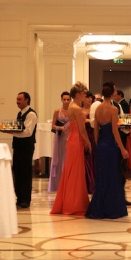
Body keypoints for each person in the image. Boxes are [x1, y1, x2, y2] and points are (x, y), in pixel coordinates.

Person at [86, 83, 130, 219]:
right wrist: (123, 149)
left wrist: (97, 145)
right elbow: (115, 131)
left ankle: (99, 207)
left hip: (101, 146)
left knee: (101, 177)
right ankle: (112, 208)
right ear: (111, 94)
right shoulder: (113, 109)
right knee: (112, 177)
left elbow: (95, 130)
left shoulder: (98, 108)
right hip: (110, 147)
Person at [50, 82, 92, 216]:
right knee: (75, 172)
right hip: (77, 140)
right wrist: (88, 142)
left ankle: (70, 201)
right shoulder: (77, 108)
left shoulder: (72, 107)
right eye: (84, 93)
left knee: (72, 171)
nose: (86, 95)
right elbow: (82, 129)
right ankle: (74, 204)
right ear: (78, 94)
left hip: (72, 140)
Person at [10, 92, 38, 209]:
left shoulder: (31, 114)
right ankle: (19, 197)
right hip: (18, 146)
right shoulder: (20, 113)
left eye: (20, 99)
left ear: (27, 100)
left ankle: (25, 199)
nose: (17, 101)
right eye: (17, 99)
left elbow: (27, 132)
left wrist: (11, 132)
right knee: (17, 172)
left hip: (26, 147)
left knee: (25, 172)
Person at [47, 91, 71, 193]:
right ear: (61, 100)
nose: (66, 101)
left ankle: (68, 184)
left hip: (70, 136)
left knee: (68, 158)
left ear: (70, 100)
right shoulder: (57, 111)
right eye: (64, 99)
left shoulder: (72, 111)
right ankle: (57, 184)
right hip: (60, 137)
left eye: (68, 99)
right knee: (59, 157)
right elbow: (52, 125)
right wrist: (60, 128)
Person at [82, 91, 96, 194]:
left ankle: (93, 184)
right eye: (87, 97)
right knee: (85, 160)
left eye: (91, 97)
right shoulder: (80, 110)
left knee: (93, 159)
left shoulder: (94, 110)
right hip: (84, 137)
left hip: (93, 136)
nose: (90, 99)